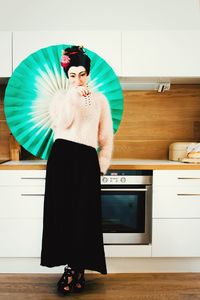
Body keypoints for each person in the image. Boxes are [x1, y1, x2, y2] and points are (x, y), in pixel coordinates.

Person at [40, 45, 113, 295]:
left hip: (86, 159)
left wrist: (101, 166)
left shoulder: (101, 100)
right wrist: (72, 97)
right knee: (62, 214)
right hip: (61, 158)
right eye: (73, 75)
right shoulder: (59, 99)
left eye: (82, 74)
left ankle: (78, 268)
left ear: (88, 73)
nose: (78, 79)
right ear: (67, 75)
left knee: (84, 215)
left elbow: (105, 137)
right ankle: (72, 269)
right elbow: (62, 123)